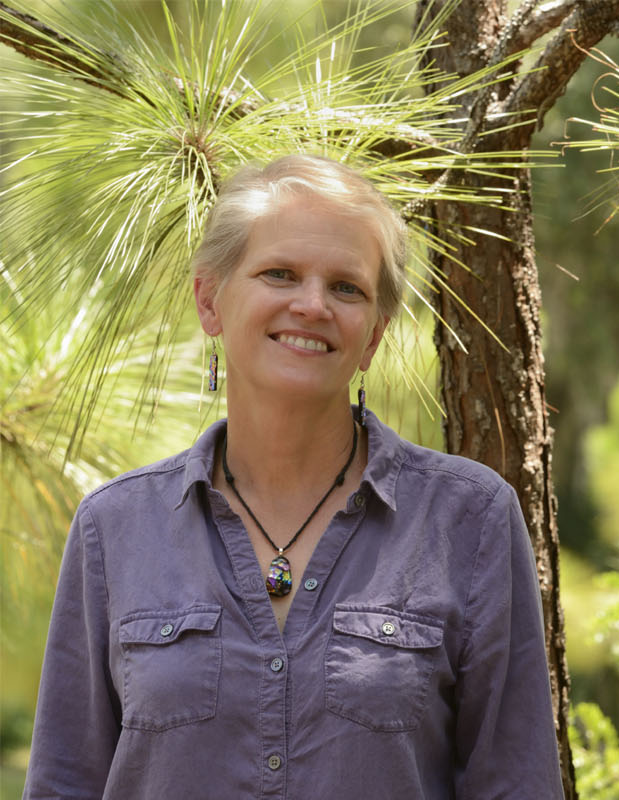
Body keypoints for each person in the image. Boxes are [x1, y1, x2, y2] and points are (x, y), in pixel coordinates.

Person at [23, 154, 564, 799]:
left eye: (346, 288)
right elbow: (64, 784)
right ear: (209, 301)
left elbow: (516, 785)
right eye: (279, 274)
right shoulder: (114, 529)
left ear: (373, 336)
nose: (312, 305)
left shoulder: (469, 520)